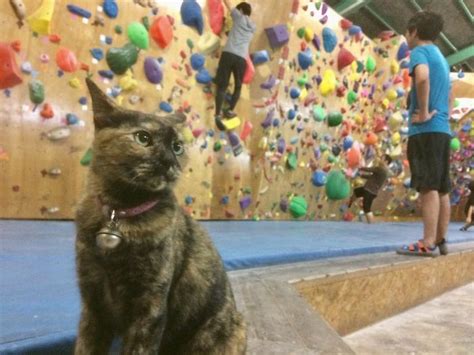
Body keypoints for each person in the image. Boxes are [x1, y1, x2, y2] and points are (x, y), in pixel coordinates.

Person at [397, 11, 453, 257]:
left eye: (407, 33)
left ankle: (427, 242)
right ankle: (441, 241)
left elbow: (421, 78)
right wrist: (443, 114)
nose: (406, 38)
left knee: (428, 186)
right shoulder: (441, 56)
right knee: (441, 188)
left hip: (426, 130)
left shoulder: (419, 52)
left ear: (414, 32)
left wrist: (423, 112)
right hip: (442, 131)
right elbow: (450, 93)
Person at [214, 0, 256, 131]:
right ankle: (230, 110)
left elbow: (228, 4)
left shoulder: (239, 17)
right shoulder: (253, 26)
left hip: (229, 53)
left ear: (242, 11)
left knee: (222, 85)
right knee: (238, 86)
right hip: (241, 59)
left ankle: (217, 115)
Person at [348, 154, 392, 224]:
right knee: (356, 191)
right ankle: (349, 205)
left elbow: (370, 169)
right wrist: (361, 175)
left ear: (386, 161)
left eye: (382, 158)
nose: (380, 159)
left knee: (367, 209)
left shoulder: (381, 169)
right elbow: (371, 177)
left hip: (370, 191)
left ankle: (371, 225)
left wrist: (360, 167)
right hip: (368, 190)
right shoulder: (384, 170)